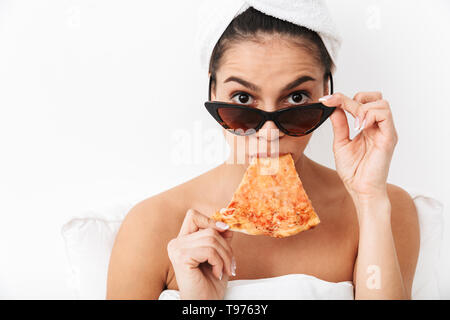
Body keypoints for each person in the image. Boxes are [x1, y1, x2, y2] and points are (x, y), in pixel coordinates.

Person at [106, 6, 419, 300]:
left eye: (296, 98)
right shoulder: (150, 227)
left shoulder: (385, 208)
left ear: (327, 93)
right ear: (213, 93)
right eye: (242, 98)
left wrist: (369, 200)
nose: (269, 135)